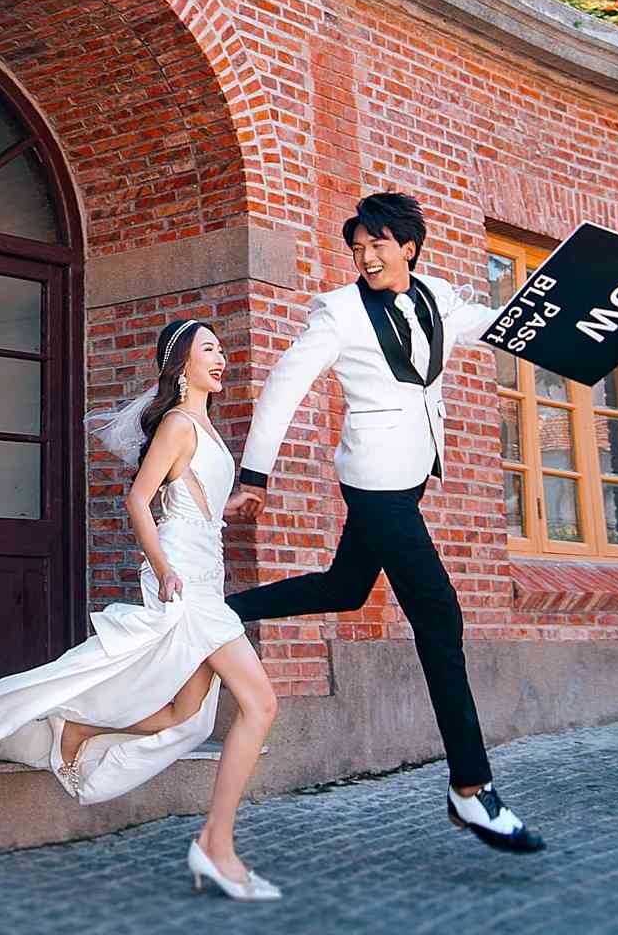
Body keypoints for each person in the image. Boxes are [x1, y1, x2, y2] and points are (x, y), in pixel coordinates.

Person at [0, 319, 286, 900]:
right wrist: (163, 568)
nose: (220, 358)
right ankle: (216, 845)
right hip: (187, 585)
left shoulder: (205, 428)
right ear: (180, 366)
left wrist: (235, 501)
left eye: (221, 349)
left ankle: (76, 729)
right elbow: (139, 500)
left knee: (180, 714)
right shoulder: (177, 424)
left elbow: (195, 503)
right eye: (208, 350)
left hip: (207, 580)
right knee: (260, 703)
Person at [223, 192, 544, 853]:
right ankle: (471, 787)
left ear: (408, 248)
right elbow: (284, 385)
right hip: (373, 480)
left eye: (377, 245)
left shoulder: (437, 299)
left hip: (413, 471)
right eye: (357, 248)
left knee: (344, 588)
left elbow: (502, 324)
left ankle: (222, 612)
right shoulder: (338, 314)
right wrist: (255, 475)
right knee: (440, 617)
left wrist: (598, 333)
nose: (365, 257)